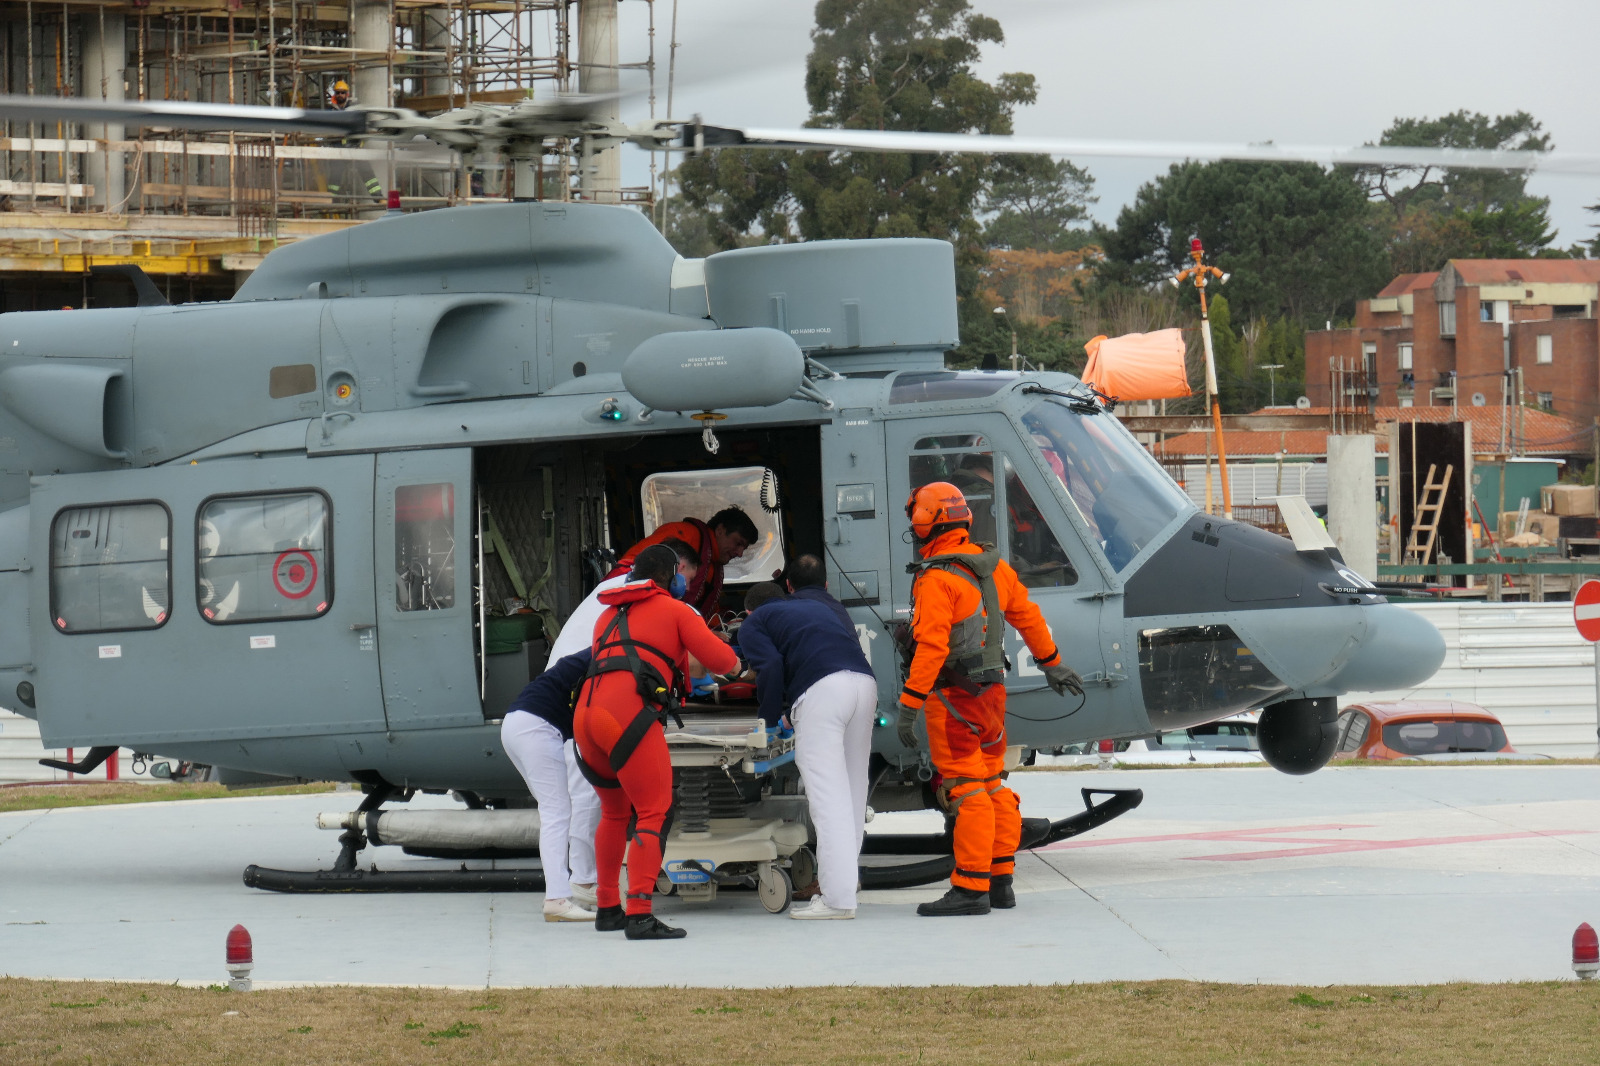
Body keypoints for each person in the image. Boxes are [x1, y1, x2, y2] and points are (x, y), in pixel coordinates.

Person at [897, 481, 1084, 917]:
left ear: (924, 524)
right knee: (993, 783)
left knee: (965, 789)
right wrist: (1052, 663)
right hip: (992, 696)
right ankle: (1001, 881)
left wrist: (909, 704)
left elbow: (932, 649)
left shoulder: (937, 579)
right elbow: (1028, 617)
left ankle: (970, 888)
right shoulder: (993, 567)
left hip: (953, 700)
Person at [574, 544, 739, 940]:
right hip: (626, 718)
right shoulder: (676, 609)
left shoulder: (608, 615)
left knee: (614, 813)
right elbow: (721, 662)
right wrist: (741, 666)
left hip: (586, 717)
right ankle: (640, 915)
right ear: (672, 576)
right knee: (653, 812)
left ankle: (608, 907)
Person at [739, 555, 876, 920]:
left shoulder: (754, 623)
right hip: (863, 685)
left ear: (749, 612)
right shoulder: (817, 608)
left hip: (824, 692)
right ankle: (844, 885)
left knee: (827, 797)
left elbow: (769, 666)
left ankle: (837, 900)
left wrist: (768, 723)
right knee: (852, 792)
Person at [499, 650, 600, 922]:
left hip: (517, 723)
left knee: (554, 811)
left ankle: (576, 885)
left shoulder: (596, 653)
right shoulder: (608, 658)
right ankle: (556, 899)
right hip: (537, 728)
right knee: (556, 813)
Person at [549, 537, 699, 662]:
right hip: (577, 675)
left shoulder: (621, 583)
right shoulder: (643, 592)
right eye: (690, 579)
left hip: (568, 670)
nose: (687, 588)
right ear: (679, 568)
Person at [610, 507, 759, 621]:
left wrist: (720, 627)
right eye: (738, 543)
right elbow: (631, 566)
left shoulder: (714, 566)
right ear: (720, 530)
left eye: (743, 548)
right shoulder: (682, 534)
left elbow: (706, 608)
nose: (740, 553)